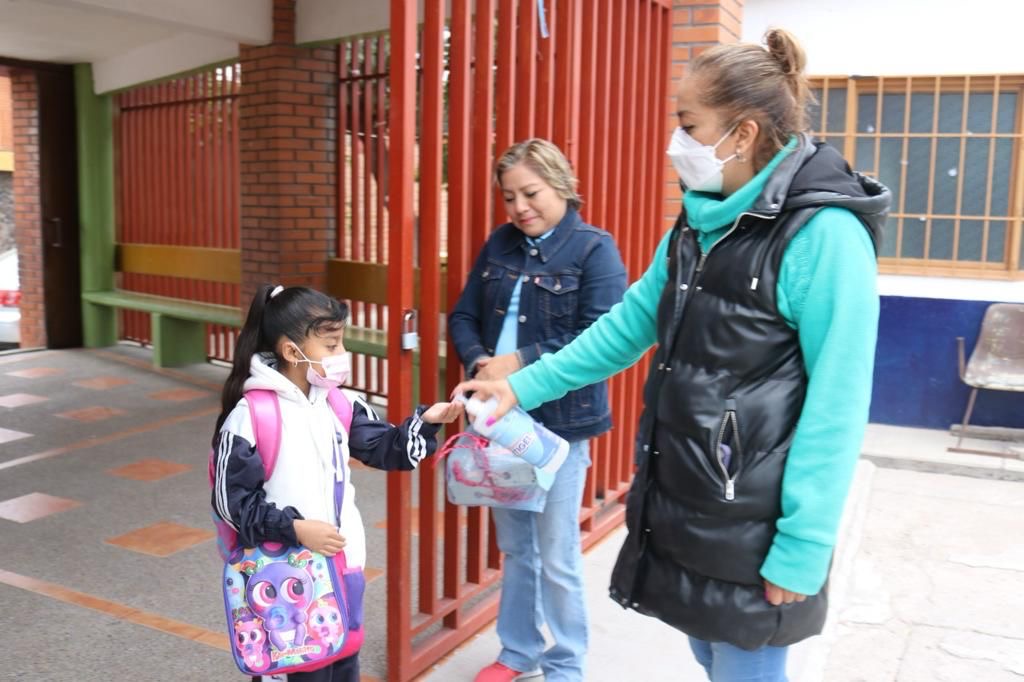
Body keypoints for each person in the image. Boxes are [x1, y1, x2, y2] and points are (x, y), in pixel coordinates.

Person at [455, 29, 890, 682]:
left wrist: (803, 546)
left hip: (758, 517)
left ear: (741, 135)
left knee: (744, 664)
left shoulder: (824, 237)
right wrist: (521, 387)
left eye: (688, 125)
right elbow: (627, 326)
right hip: (692, 499)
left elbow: (837, 404)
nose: (674, 143)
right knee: (707, 652)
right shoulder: (699, 222)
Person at [211, 284, 462, 682]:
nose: (342, 354)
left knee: (343, 666)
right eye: (331, 344)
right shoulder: (251, 416)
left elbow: (386, 448)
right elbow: (231, 503)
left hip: (343, 567)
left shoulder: (336, 402)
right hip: (284, 581)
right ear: (293, 352)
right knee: (300, 671)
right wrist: (295, 528)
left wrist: (425, 423)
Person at [448, 138, 627, 682]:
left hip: (561, 425)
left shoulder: (595, 250)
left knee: (557, 553)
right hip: (499, 423)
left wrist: (518, 361)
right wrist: (482, 362)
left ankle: (566, 664)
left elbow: (600, 338)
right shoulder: (499, 244)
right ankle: (517, 653)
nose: (520, 207)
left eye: (531, 192)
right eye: (509, 197)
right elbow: (462, 316)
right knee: (517, 548)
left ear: (561, 186)